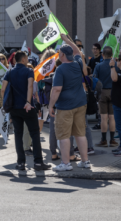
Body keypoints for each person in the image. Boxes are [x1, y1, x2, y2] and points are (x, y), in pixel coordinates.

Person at [2, 51, 51, 171]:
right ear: (23, 59)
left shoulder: (9, 72)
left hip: (14, 108)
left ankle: (20, 163)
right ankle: (38, 162)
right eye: (27, 58)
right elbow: (30, 86)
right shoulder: (29, 71)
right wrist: (28, 102)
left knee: (18, 134)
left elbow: (3, 89)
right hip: (27, 107)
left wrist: (6, 104)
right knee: (34, 133)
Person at [49, 34, 91, 171]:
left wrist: (50, 105)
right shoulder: (78, 63)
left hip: (65, 106)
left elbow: (56, 90)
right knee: (80, 133)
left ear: (61, 55)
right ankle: (85, 161)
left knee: (64, 135)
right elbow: (78, 52)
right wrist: (68, 40)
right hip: (80, 103)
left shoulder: (60, 69)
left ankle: (65, 164)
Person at [93, 46, 118, 148]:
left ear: (102, 55)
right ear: (112, 55)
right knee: (112, 117)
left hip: (102, 92)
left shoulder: (98, 66)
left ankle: (104, 140)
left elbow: (94, 80)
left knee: (103, 117)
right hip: (113, 91)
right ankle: (112, 140)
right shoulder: (115, 65)